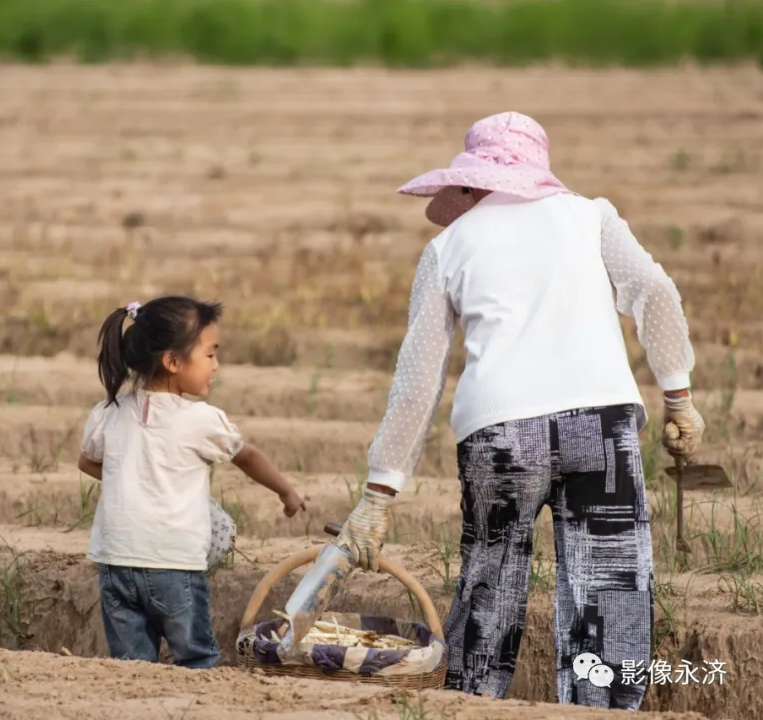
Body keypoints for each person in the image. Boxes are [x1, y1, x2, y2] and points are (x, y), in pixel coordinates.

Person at [332, 112, 705, 710]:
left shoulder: (446, 246)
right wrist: (678, 395)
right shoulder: (591, 216)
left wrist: (379, 493)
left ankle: (474, 702)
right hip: (601, 425)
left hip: (500, 434)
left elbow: (417, 379)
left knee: (491, 580)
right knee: (610, 590)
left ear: (471, 183)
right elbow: (655, 293)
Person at [77, 295, 307, 669]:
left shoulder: (108, 412)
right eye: (210, 354)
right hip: (173, 564)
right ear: (172, 361)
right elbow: (246, 455)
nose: (216, 365)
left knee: (131, 666)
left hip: (115, 562)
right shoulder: (199, 419)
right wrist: (286, 491)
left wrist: (132, 476)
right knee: (196, 659)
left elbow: (87, 461)